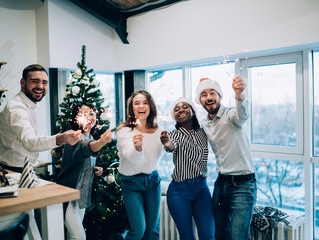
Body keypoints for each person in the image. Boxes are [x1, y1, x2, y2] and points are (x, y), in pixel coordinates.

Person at [195, 76, 257, 240]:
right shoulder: (204, 124)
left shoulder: (231, 115)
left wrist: (239, 95)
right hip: (221, 184)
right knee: (220, 233)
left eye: (212, 93)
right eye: (204, 94)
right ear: (200, 101)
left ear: (220, 96)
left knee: (238, 236)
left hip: (243, 185)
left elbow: (243, 115)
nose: (208, 97)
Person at [0, 64, 81, 172]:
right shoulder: (16, 108)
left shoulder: (28, 105)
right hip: (15, 171)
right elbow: (30, 142)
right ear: (22, 83)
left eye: (44, 82)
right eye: (35, 81)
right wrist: (60, 139)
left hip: (25, 169)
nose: (40, 86)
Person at [160, 97, 215, 240]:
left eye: (185, 107)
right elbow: (171, 146)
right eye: (176, 110)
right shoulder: (174, 135)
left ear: (193, 111)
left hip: (202, 189)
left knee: (208, 235)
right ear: (175, 118)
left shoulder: (204, 132)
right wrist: (166, 142)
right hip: (179, 192)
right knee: (187, 237)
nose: (181, 110)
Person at [56, 102, 112, 240]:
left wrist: (94, 169)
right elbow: (85, 148)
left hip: (82, 195)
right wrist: (102, 142)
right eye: (84, 113)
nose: (89, 116)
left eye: (91, 113)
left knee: (72, 236)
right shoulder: (73, 137)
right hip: (69, 195)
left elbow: (81, 160)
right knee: (79, 237)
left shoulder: (90, 138)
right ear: (76, 117)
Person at [116, 90, 163, 240]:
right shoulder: (124, 130)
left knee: (152, 230)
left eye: (145, 102)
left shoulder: (159, 130)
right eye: (137, 103)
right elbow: (132, 159)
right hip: (131, 183)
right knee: (139, 230)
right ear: (132, 108)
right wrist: (137, 147)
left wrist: (169, 143)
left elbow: (166, 152)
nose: (141, 106)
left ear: (150, 106)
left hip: (153, 181)